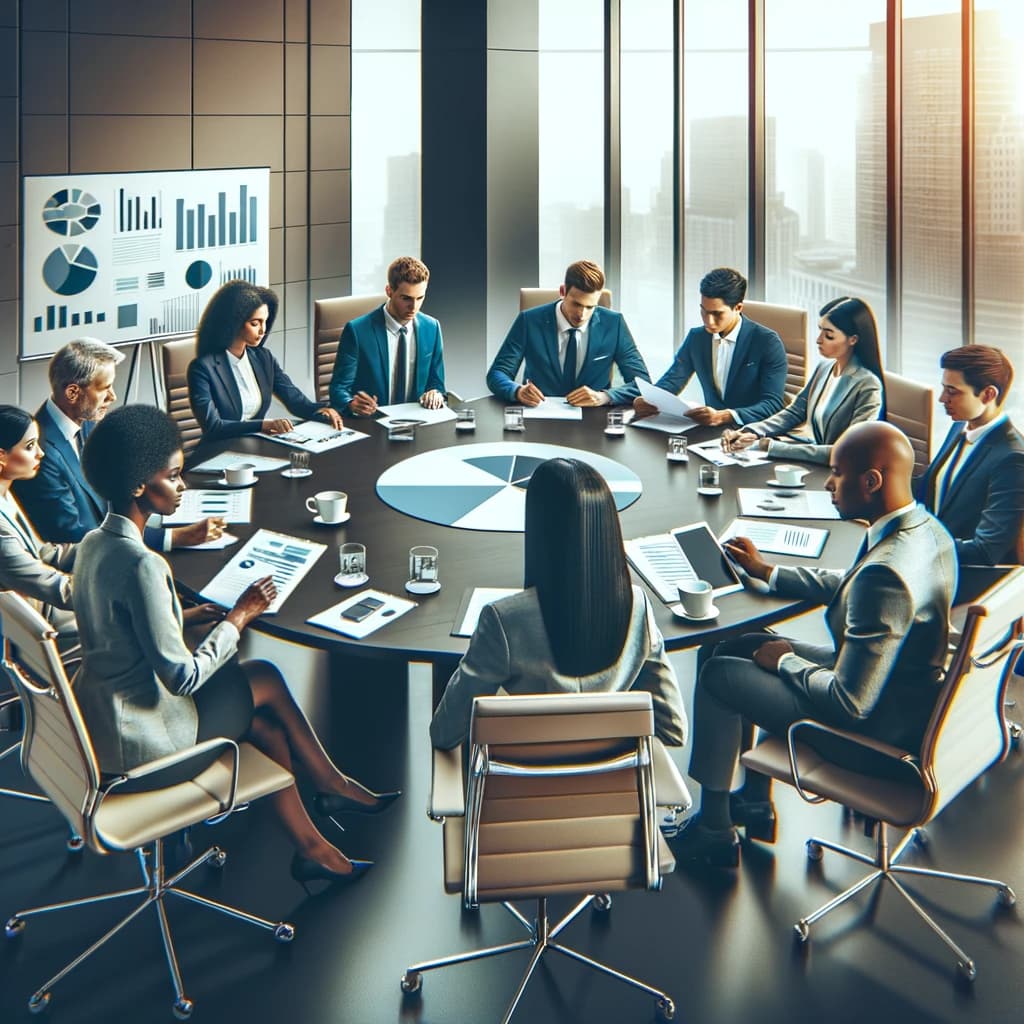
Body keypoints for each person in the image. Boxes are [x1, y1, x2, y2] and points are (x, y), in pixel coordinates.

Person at [73, 405, 398, 889]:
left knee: (266, 725)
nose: (183, 487)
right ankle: (332, 787)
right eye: (175, 476)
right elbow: (181, 677)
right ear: (140, 486)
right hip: (144, 749)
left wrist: (181, 617)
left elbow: (116, 628)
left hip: (104, 722)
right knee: (263, 677)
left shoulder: (93, 545)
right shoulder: (143, 564)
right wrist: (239, 617)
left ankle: (317, 845)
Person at [678, 421, 956, 868]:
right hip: (897, 691)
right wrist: (769, 571)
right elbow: (853, 585)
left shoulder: (885, 574)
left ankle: (713, 831)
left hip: (872, 736)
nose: (828, 484)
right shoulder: (925, 531)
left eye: (836, 474)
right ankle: (752, 802)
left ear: (870, 482)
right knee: (727, 644)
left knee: (718, 673)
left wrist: (785, 661)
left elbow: (849, 704)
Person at [430, 457, 686, 749]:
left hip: (522, 782)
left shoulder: (504, 620)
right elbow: (674, 728)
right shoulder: (637, 605)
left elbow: (445, 732)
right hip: (615, 784)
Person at [14, 338, 221, 550]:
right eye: (105, 388)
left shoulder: (86, 423)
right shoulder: (41, 454)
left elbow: (114, 493)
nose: (113, 397)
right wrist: (173, 538)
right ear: (73, 393)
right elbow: (77, 536)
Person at [720, 297, 885, 463]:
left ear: (853, 339)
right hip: (813, 461)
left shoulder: (868, 386)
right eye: (820, 330)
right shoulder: (825, 367)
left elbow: (848, 452)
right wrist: (750, 431)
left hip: (838, 473)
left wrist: (771, 447)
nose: (818, 340)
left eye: (828, 335)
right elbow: (795, 411)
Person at [189, 280, 345, 439]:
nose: (263, 330)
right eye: (255, 323)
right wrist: (263, 425)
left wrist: (324, 410)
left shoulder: (263, 358)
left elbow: (297, 403)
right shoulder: (202, 368)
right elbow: (213, 426)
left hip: (257, 445)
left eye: (265, 322)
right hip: (220, 449)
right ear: (234, 322)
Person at [631, 267, 787, 426]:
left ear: (738, 308)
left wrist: (724, 416)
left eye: (717, 314)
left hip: (750, 433)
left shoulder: (767, 342)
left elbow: (772, 405)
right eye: (704, 311)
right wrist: (649, 400)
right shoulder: (697, 338)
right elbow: (672, 381)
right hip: (710, 433)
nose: (709, 321)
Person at [485, 260, 649, 408]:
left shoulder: (614, 324)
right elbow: (497, 374)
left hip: (593, 422)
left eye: (590, 307)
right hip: (540, 416)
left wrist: (604, 396)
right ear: (563, 291)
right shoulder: (529, 321)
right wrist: (517, 391)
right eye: (576, 304)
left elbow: (643, 384)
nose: (582, 314)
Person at [915, 345, 1023, 566]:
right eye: (944, 388)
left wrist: (915, 546)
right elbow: (932, 489)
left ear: (988, 394)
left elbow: (986, 550)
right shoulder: (960, 427)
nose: (943, 399)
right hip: (933, 564)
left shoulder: (1012, 459)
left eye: (953, 391)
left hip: (963, 578)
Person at [329, 257, 447, 415]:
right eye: (406, 298)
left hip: (419, 421)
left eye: (420, 298)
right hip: (374, 422)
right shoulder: (357, 331)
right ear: (389, 291)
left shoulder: (432, 327)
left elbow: (437, 383)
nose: (414, 307)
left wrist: (435, 393)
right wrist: (351, 404)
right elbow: (339, 389)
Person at [0, 405, 76, 643]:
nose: (41, 453)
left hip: (45, 611)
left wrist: (104, 545)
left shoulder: (5, 495)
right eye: (30, 446)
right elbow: (57, 590)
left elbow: (44, 552)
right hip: (43, 627)